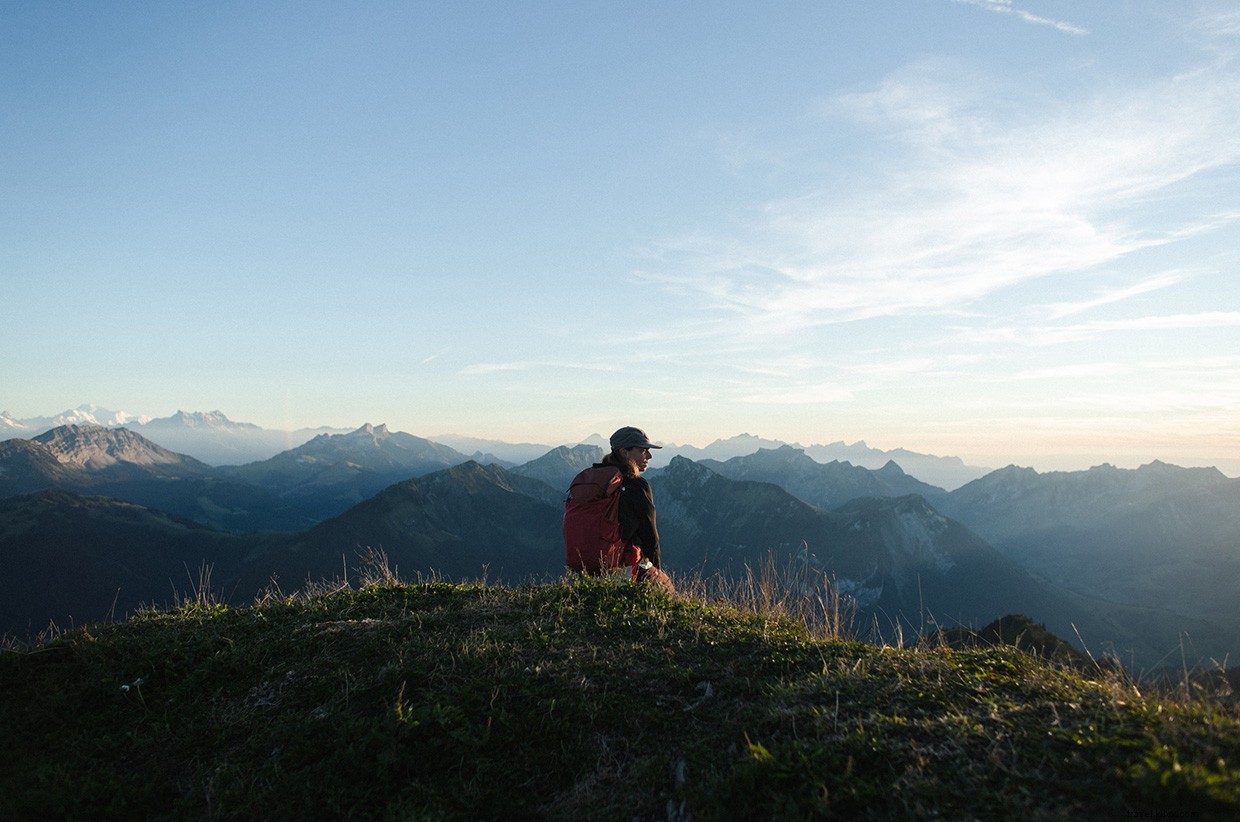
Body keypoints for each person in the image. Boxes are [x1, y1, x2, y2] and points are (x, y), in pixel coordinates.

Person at [598, 426, 666, 581]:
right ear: (624, 452)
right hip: (623, 567)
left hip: (587, 566)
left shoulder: (597, 480)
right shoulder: (636, 485)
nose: (649, 456)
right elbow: (650, 536)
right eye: (643, 450)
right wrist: (656, 574)